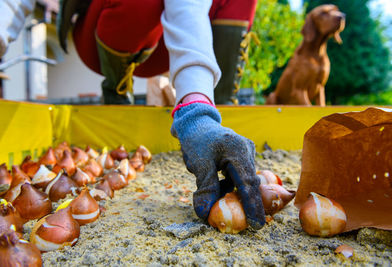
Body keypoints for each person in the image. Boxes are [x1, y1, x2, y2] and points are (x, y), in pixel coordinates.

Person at [1, 0, 266, 230]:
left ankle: (216, 110)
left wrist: (196, 106)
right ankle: (118, 94)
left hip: (170, 32)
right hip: (104, 25)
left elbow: (190, 6)